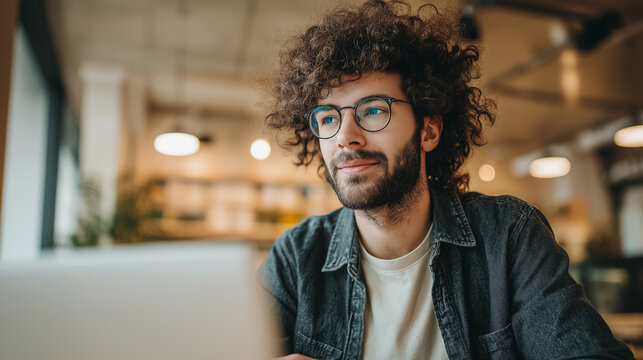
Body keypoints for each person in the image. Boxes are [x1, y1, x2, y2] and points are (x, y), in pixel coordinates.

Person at [259, 1, 634, 359]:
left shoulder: (508, 237)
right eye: (327, 118)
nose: (345, 137)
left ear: (429, 130)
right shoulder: (296, 258)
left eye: (373, 110)